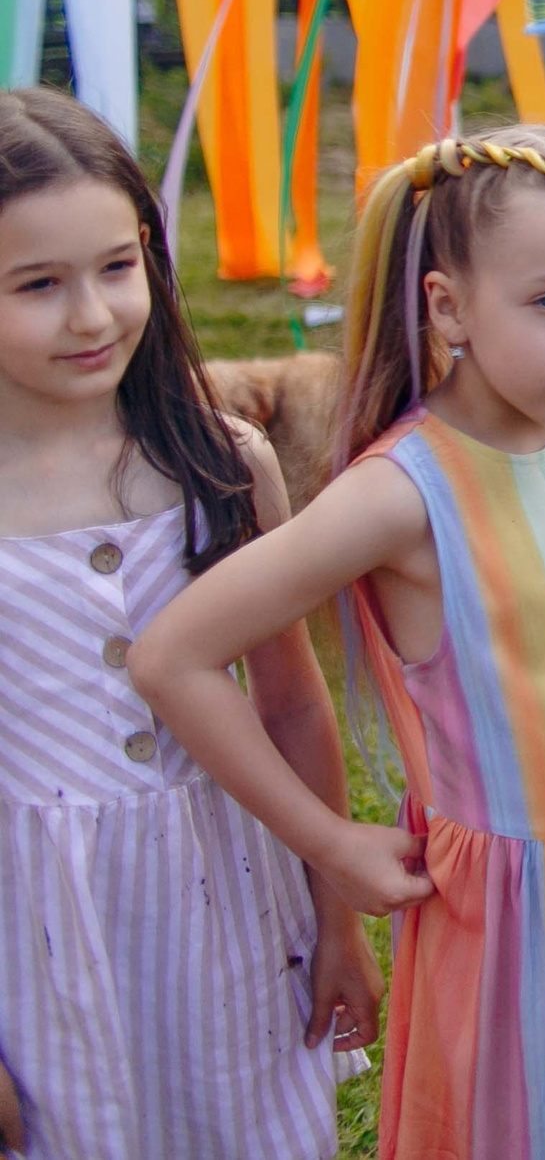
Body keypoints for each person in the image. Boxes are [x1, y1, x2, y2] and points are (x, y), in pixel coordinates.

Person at [133, 116, 545, 1160]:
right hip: (516, 912)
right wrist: (329, 841)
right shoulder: (399, 495)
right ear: (447, 306)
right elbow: (172, 654)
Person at [0, 87, 375, 1160]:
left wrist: (337, 916)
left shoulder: (218, 463)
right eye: (39, 283)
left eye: (118, 268)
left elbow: (294, 703)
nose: (92, 314)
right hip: (39, 934)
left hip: (230, 907)